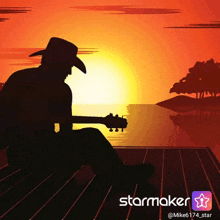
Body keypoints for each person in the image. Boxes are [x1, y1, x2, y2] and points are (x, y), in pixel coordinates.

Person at [0, 37, 154, 183]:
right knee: (91, 136)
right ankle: (115, 174)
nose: (70, 72)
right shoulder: (23, 81)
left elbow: (65, 131)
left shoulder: (51, 87)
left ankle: (112, 172)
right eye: (67, 66)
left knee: (89, 137)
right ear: (54, 64)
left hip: (33, 153)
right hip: (23, 154)